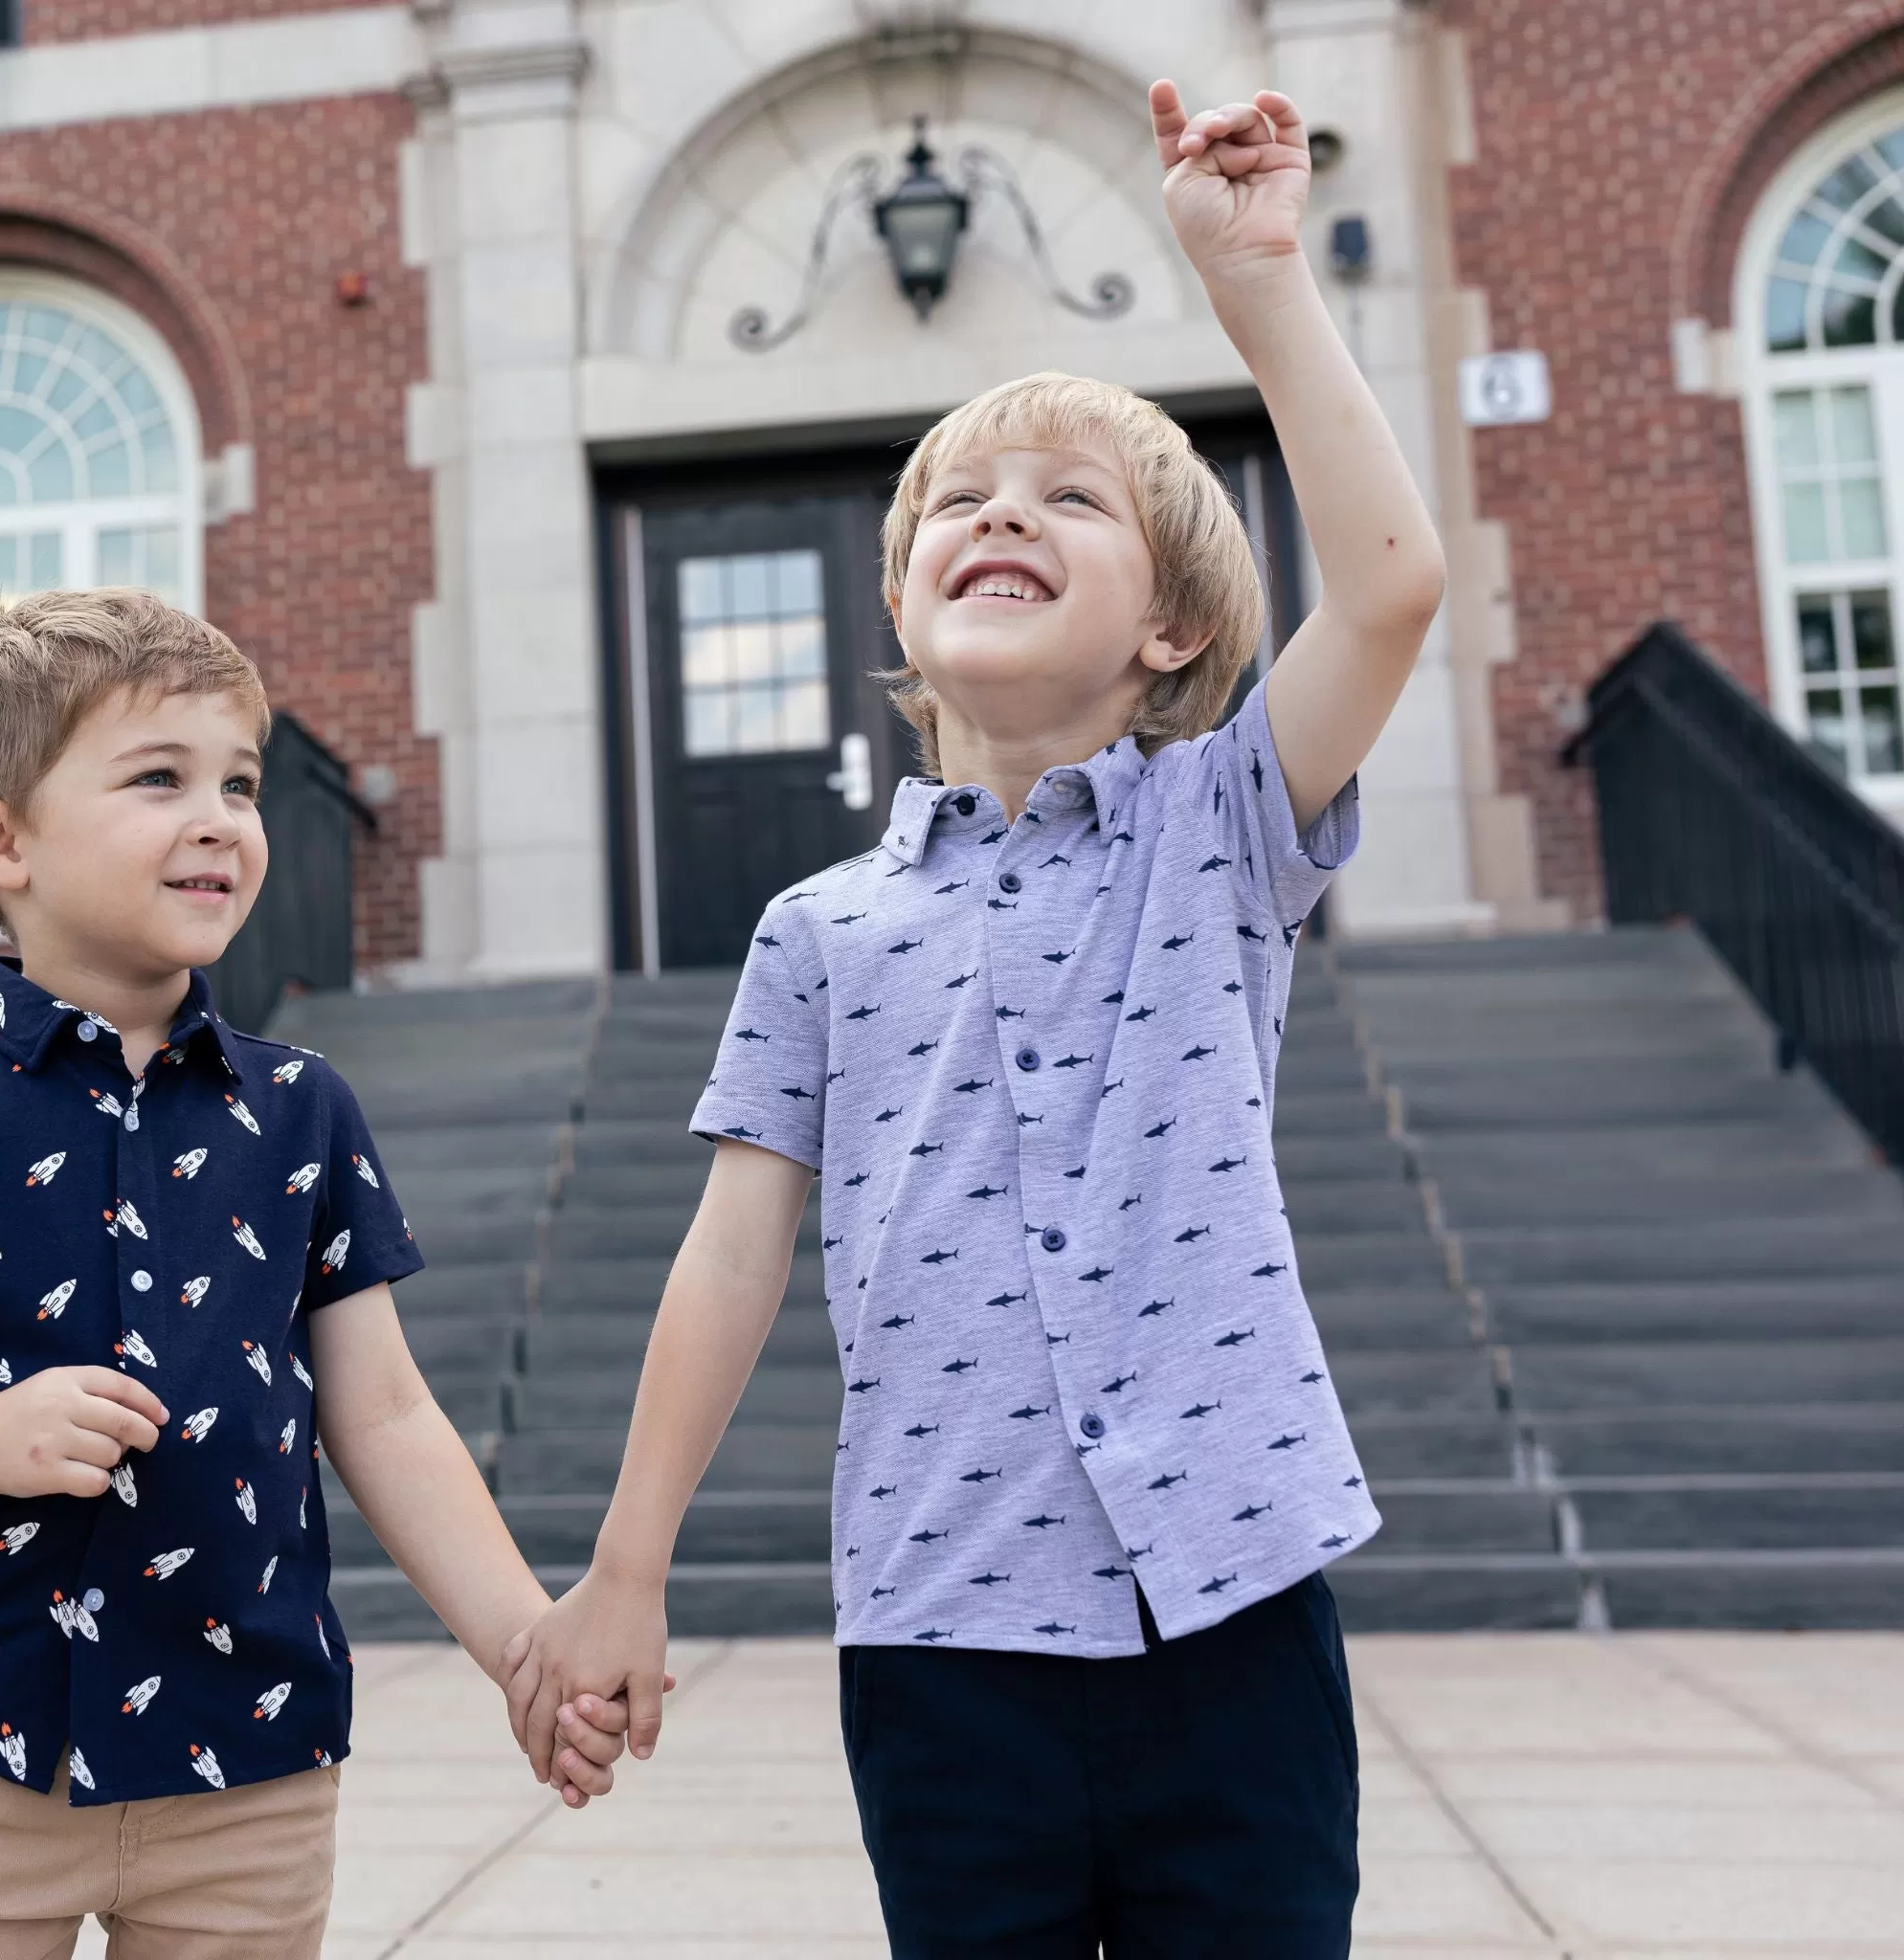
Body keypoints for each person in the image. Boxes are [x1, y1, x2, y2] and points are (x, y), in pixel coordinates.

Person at [511, 81, 1446, 1954]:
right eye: (958, 503)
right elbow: (728, 1258)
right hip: (941, 1628)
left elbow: (1396, 583)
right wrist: (624, 1572)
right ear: (904, 598)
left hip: (1230, 1602)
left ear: (1171, 631)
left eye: (1066, 502)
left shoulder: (1218, 829)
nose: (997, 514)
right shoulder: (818, 930)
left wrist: (1256, 277)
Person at [0, 590, 629, 1960]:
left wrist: (520, 1644)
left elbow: (381, 1416)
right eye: (160, 778)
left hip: (246, 1758)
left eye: (241, 784)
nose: (222, 817)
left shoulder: (302, 1110)